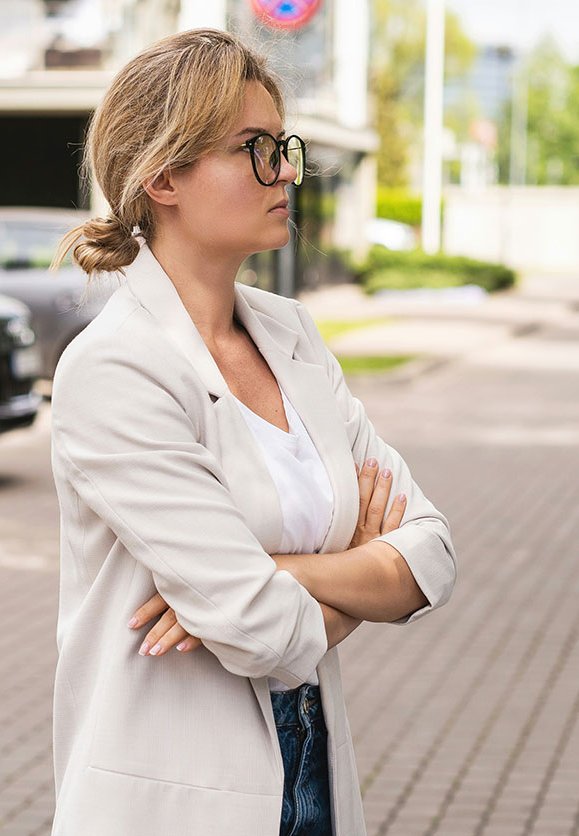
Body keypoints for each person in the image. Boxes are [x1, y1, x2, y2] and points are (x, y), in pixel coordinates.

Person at [48, 27, 456, 836]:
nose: (286, 173)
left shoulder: (292, 335)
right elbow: (262, 634)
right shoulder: (115, 369)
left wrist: (275, 570)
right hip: (176, 796)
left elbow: (433, 554)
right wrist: (350, 575)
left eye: (285, 145)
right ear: (163, 174)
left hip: (313, 774)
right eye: (255, 148)